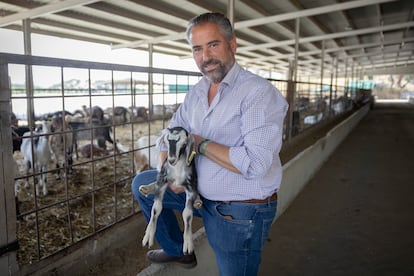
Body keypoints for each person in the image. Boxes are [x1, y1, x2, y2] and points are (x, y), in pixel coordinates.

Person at [132, 12, 288, 275]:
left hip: (239, 208)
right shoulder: (197, 92)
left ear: (232, 45)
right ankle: (176, 249)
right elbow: (168, 134)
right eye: (197, 49)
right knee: (141, 184)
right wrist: (168, 172)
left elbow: (256, 163)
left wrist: (199, 144)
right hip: (200, 196)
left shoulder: (258, 93)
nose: (205, 57)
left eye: (213, 45)